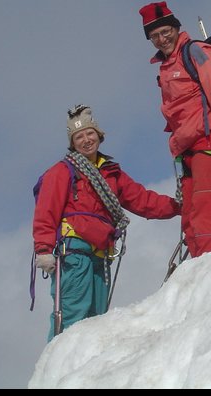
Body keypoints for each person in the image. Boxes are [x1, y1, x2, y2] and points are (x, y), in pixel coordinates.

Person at [33, 104, 181, 341]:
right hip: (74, 253)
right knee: (73, 315)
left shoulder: (111, 173)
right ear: (73, 143)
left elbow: (142, 200)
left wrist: (177, 207)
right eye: (79, 137)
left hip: (101, 255)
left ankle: (88, 370)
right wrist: (43, 249)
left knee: (96, 320)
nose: (86, 140)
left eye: (90, 133)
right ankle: (60, 370)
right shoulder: (62, 172)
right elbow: (46, 210)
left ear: (99, 135)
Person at [138, 1, 211, 259]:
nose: (162, 39)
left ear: (176, 28)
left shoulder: (196, 51)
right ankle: (198, 273)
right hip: (188, 150)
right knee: (190, 218)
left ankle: (210, 269)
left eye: (165, 32)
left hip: (209, 143)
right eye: (154, 36)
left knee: (206, 209)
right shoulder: (166, 68)